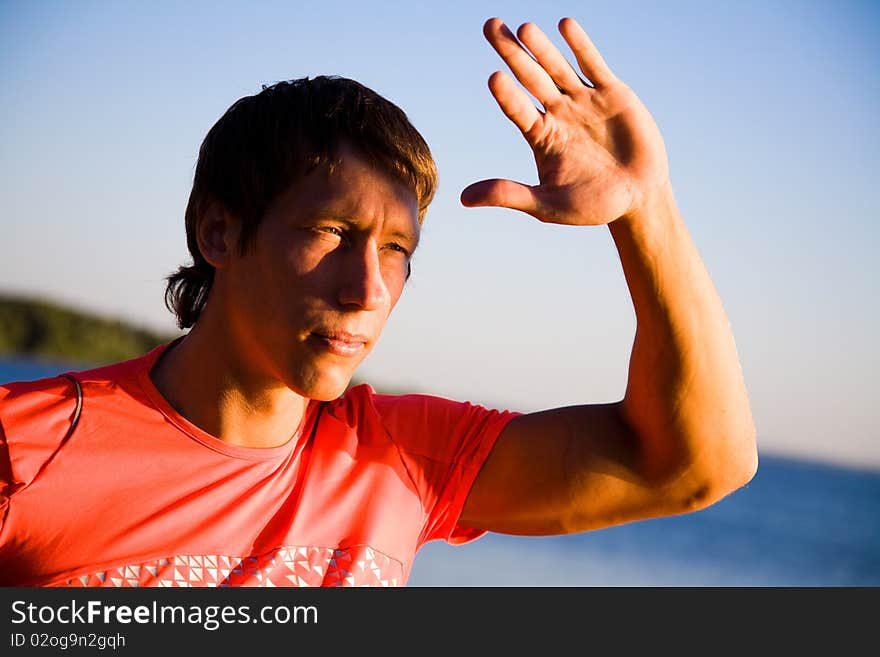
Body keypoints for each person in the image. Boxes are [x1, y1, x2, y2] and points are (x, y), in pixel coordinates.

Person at [0, 17, 756, 587]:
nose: (369, 290)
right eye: (333, 232)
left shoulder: (401, 457)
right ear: (220, 231)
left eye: (397, 249)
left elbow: (695, 465)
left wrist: (644, 210)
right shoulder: (26, 449)